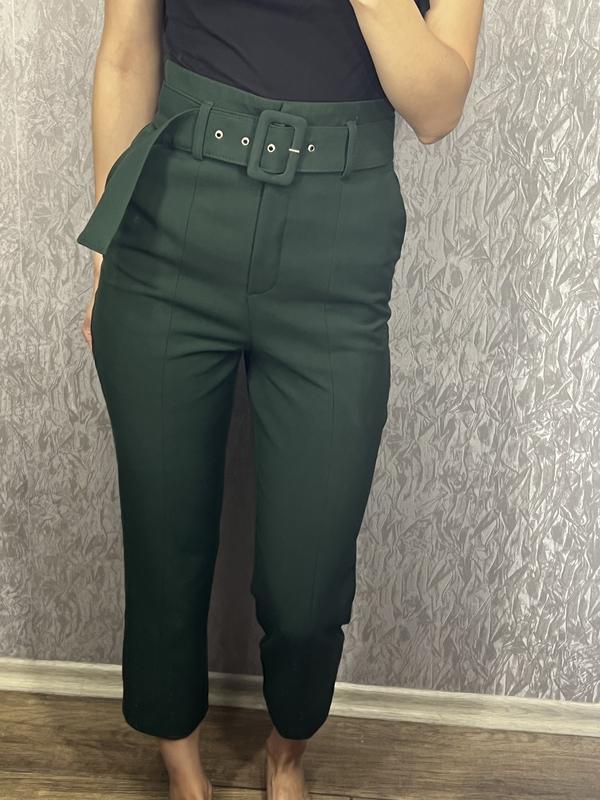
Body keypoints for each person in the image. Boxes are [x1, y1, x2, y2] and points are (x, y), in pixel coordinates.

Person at [77, 2, 483, 799]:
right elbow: (125, 55)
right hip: (170, 226)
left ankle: (287, 748)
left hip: (336, 249)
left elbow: (437, 109)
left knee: (309, 586)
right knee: (164, 540)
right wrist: (106, 253)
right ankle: (180, 761)